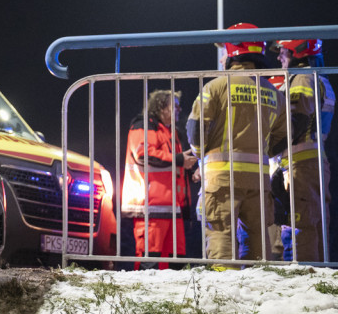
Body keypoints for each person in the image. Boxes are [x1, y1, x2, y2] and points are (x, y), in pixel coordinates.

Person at [187, 23, 286, 264]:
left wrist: (202, 156)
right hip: (259, 182)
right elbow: (283, 137)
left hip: (222, 179)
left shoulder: (216, 86)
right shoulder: (274, 92)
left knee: (221, 233)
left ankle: (224, 292)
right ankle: (257, 290)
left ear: (233, 51)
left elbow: (195, 130)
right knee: (258, 237)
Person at [269, 39, 335, 262]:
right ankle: (317, 277)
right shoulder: (318, 78)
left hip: (301, 164)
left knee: (301, 225)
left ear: (297, 53)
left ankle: (303, 278)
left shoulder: (303, 79)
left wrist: (268, 150)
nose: (279, 58)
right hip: (313, 161)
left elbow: (296, 122)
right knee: (315, 224)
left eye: (283, 52)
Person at [122, 90, 196, 268]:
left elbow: (169, 163)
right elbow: (144, 155)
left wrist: (188, 167)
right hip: (150, 206)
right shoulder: (143, 126)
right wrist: (180, 159)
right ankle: (144, 296)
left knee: (175, 261)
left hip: (171, 207)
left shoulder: (171, 131)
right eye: (175, 106)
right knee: (150, 260)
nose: (179, 110)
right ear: (162, 107)